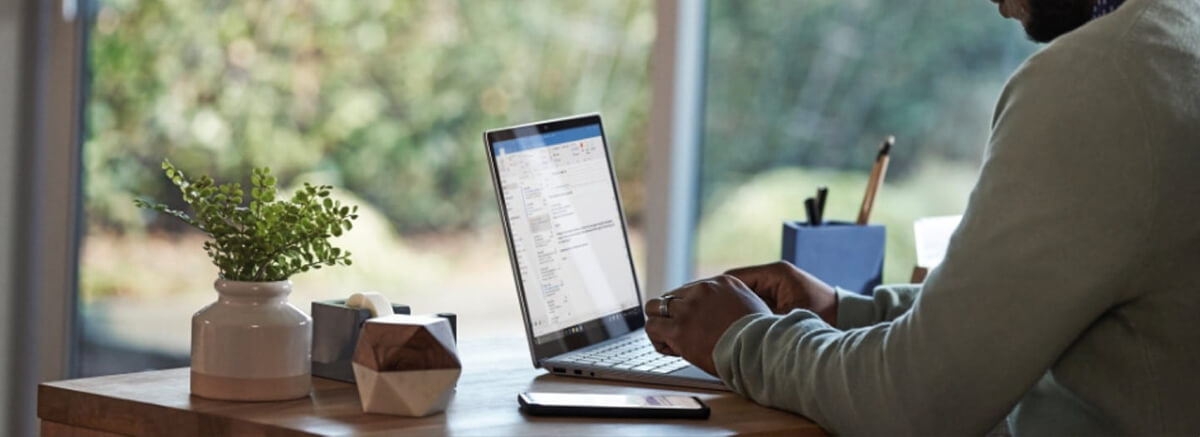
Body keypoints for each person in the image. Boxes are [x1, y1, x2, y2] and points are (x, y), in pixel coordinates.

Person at [644, 0, 1200, 434]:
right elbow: (1029, 305)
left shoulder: (1101, 77)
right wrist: (846, 311)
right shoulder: (1175, 42)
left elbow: (919, 403)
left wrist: (742, 339)